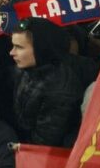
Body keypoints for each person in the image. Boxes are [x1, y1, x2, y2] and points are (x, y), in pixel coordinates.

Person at [9, 17, 85, 146]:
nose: (12, 52)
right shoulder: (27, 69)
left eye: (19, 47)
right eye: (13, 46)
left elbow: (44, 142)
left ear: (41, 49)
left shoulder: (61, 90)